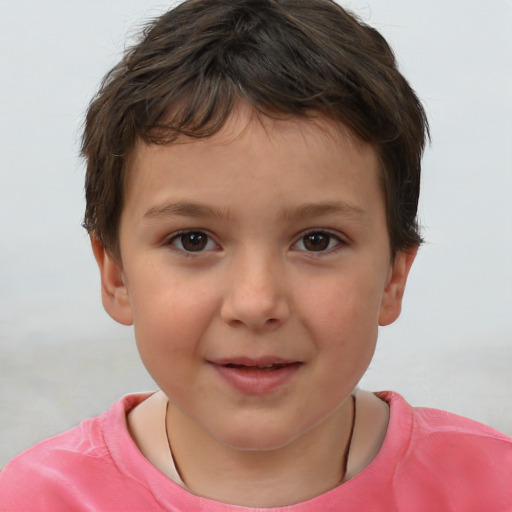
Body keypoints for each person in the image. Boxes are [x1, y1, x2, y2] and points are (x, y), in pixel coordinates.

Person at [0, 0, 510, 510]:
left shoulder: (492, 486)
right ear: (116, 275)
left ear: (393, 278)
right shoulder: (38, 499)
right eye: (193, 240)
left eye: (317, 240)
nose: (255, 302)